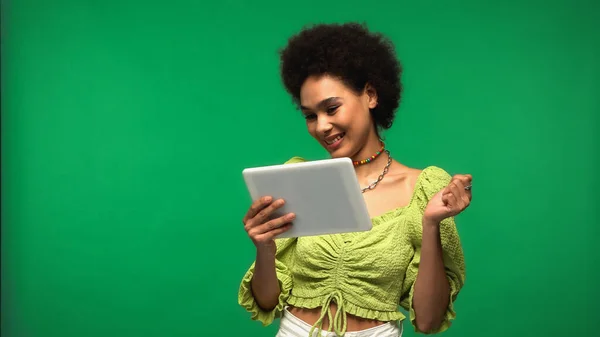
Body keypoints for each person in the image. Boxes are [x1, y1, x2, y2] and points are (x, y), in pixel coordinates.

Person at [238, 22, 471, 337]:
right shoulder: (299, 180)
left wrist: (430, 223)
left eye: (331, 108)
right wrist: (264, 248)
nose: (321, 126)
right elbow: (267, 301)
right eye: (310, 115)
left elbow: (429, 321)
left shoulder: (422, 189)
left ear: (371, 95)